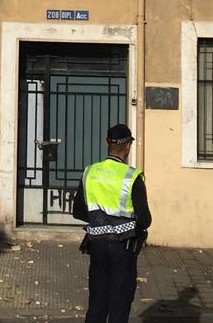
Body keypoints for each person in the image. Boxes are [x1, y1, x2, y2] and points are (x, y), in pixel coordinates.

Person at [73, 124, 152, 323]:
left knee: (97, 302)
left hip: (97, 245)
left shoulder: (90, 172)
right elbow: (145, 220)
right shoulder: (132, 176)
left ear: (106, 143)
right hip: (123, 249)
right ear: (127, 146)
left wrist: (101, 220)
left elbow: (78, 211)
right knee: (120, 303)